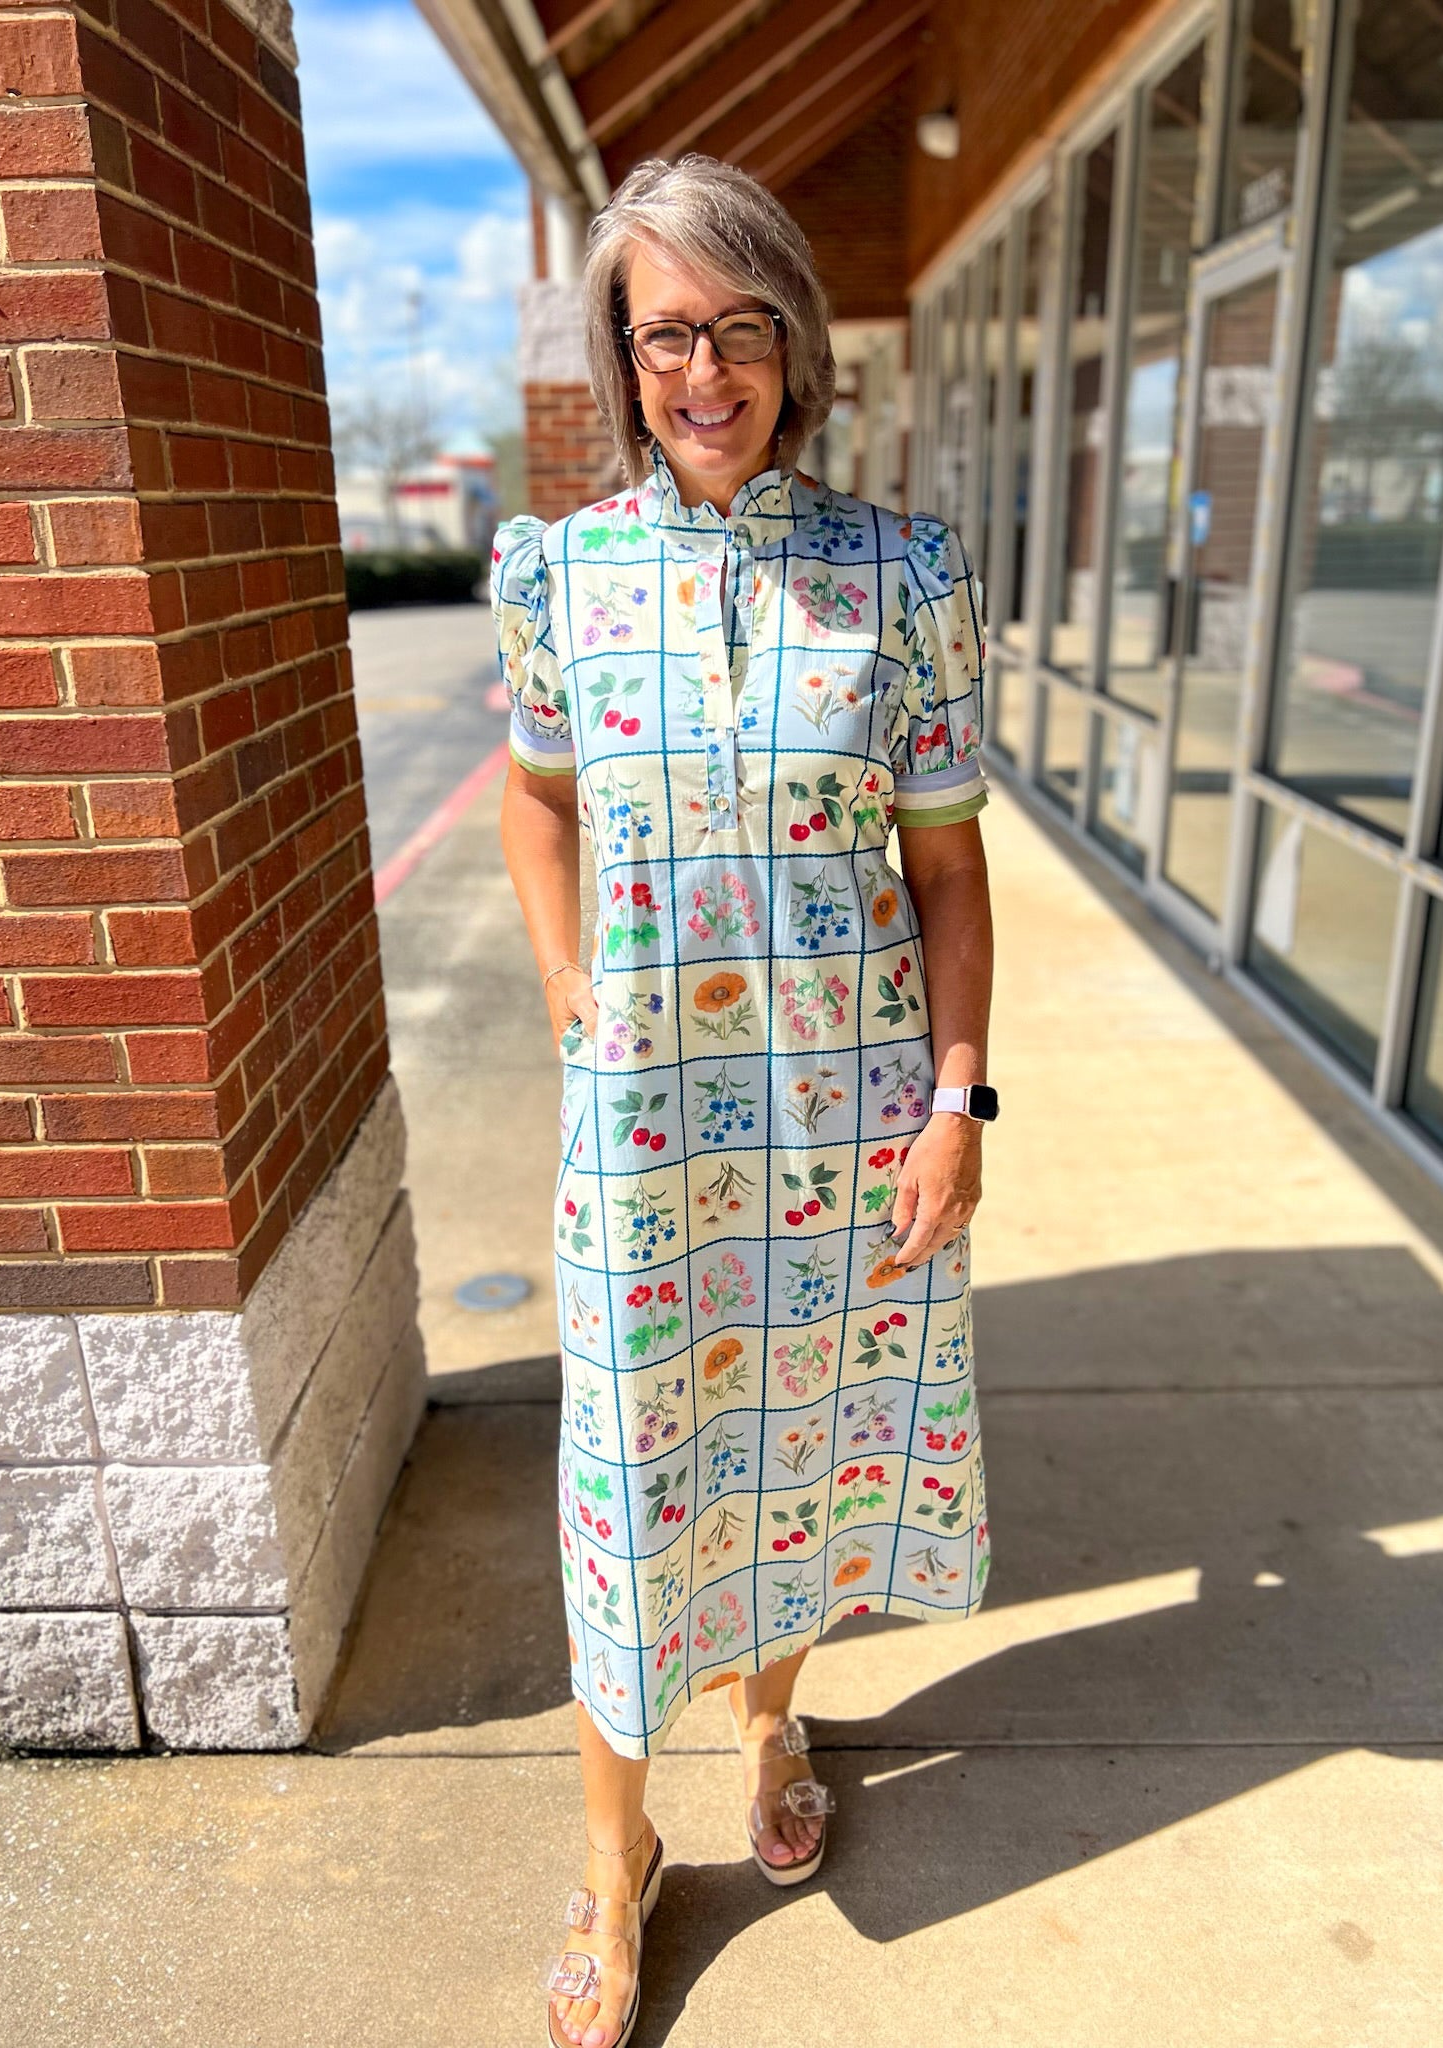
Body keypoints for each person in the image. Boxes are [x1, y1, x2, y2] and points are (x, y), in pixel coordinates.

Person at [492, 153, 996, 2048]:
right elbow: (538, 800)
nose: (705, 368)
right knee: (631, 1475)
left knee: (800, 1444)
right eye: (666, 333)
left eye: (740, 325)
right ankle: (614, 1854)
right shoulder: (559, 574)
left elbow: (946, 871)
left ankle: (773, 1717)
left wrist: (961, 1103)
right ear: (626, 360)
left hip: (851, 1114)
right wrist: (567, 992)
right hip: (643, 1131)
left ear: (795, 335)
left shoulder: (906, 572)